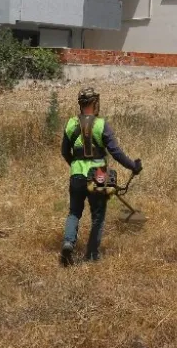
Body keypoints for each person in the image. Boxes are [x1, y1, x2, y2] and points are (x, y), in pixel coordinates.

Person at [60, 87, 142, 266]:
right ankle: (91, 255)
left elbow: (65, 152)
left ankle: (68, 243)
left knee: (74, 212)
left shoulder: (70, 124)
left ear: (81, 105)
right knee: (98, 215)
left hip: (76, 175)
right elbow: (116, 153)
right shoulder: (101, 125)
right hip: (98, 175)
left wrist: (75, 166)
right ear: (94, 104)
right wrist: (133, 166)